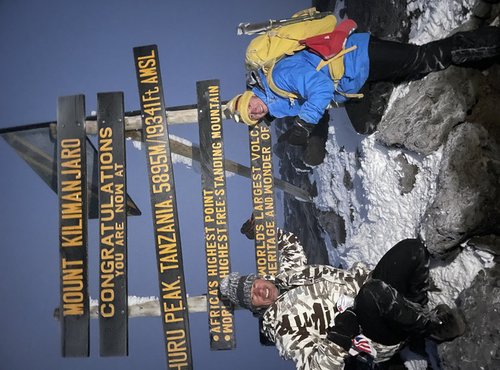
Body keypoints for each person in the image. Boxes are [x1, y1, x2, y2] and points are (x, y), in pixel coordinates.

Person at [225, 24, 500, 164]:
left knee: (425, 59)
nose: (254, 112)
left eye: (249, 107)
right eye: (252, 117)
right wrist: (310, 139)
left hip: (358, 56)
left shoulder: (277, 77)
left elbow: (319, 89)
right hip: (353, 78)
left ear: (249, 96)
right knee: (363, 124)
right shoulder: (278, 103)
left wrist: (304, 124)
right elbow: (315, 103)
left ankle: (488, 43)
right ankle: (387, 79)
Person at [220, 219, 465, 370]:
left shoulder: (288, 275)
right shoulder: (283, 329)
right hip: (373, 334)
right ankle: (432, 328)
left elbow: (291, 245)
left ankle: (415, 309)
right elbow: (315, 368)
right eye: (252, 295)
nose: (259, 290)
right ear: (256, 307)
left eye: (253, 283)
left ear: (258, 277)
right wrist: (339, 336)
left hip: (376, 292)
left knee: (412, 249)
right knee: (372, 294)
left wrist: (262, 232)